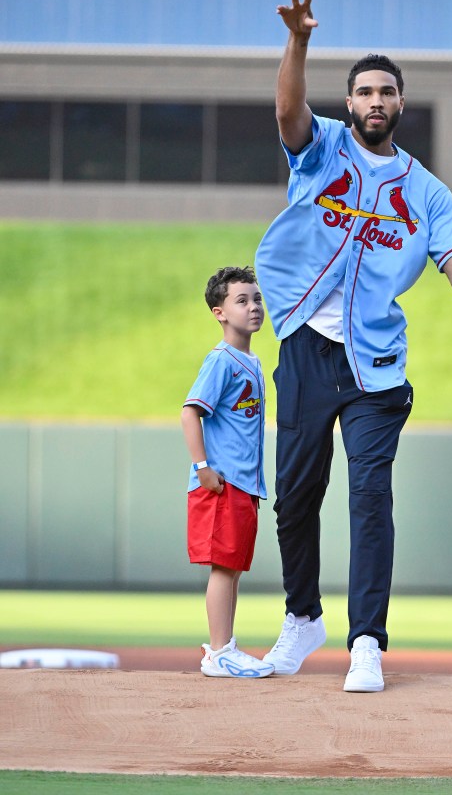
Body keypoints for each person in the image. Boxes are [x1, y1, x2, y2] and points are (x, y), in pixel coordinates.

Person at [255, 0, 452, 693]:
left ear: (400, 105)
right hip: (304, 349)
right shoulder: (319, 150)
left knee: (368, 497)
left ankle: (365, 643)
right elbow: (287, 111)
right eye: (363, 92)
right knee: (293, 496)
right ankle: (301, 619)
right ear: (349, 103)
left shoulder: (428, 193)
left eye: (385, 91)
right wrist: (297, 42)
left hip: (375, 366)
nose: (374, 100)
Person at [181, 266, 274, 678]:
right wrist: (203, 468)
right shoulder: (221, 361)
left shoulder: (250, 359)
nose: (253, 307)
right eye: (242, 300)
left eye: (256, 298)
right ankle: (218, 651)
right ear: (219, 312)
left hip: (243, 483)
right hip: (222, 482)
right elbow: (190, 413)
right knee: (223, 566)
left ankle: (225, 647)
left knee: (232, 567)